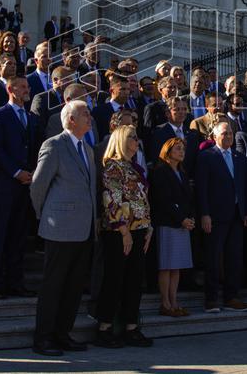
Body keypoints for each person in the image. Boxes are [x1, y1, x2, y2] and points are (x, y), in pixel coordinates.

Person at [30, 100, 97, 357]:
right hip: (59, 228)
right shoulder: (54, 145)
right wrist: (45, 216)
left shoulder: (87, 149)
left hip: (84, 229)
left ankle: (62, 334)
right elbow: (38, 186)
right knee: (54, 285)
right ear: (70, 119)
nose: (90, 117)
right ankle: (44, 338)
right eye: (85, 114)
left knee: (73, 286)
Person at [95, 125, 154, 348]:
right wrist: (124, 230)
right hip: (118, 233)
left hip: (139, 230)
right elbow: (112, 200)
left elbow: (142, 200)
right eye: (131, 137)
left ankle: (131, 327)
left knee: (134, 280)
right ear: (120, 140)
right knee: (114, 279)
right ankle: (104, 328)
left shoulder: (135, 167)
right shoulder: (113, 166)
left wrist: (148, 228)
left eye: (136, 137)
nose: (136, 141)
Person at [0, 75, 41, 298]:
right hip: (5, 184)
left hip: (26, 185)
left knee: (18, 235)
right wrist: (16, 172)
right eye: (23, 87)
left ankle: (15, 281)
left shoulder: (31, 117)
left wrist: (32, 173)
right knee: (0, 233)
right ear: (10, 89)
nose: (27, 90)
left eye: (28, 87)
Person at [195, 120, 247, 313]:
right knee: (213, 258)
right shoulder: (206, 156)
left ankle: (232, 297)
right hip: (215, 216)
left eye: (230, 133)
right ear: (214, 136)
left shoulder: (240, 157)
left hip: (236, 216)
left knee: (234, 258)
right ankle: (211, 299)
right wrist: (205, 214)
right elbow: (201, 188)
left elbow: (246, 187)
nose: (227, 136)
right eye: (223, 133)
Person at [149, 137, 195, 318]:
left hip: (182, 224)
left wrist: (190, 217)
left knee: (176, 266)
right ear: (167, 151)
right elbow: (164, 200)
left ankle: (174, 302)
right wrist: (181, 219)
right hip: (167, 223)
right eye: (177, 149)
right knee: (166, 266)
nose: (181, 152)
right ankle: (165, 303)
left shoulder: (182, 172)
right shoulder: (160, 171)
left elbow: (188, 198)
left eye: (183, 149)